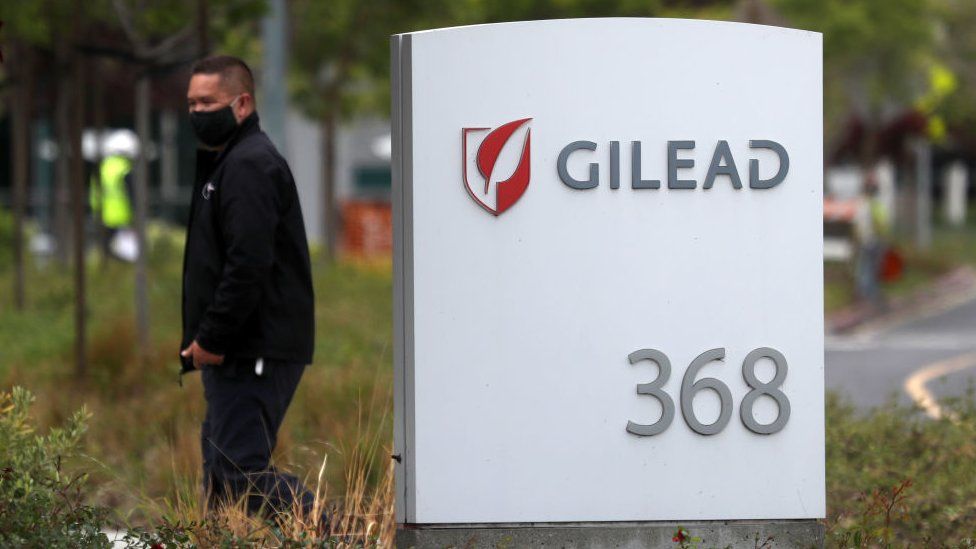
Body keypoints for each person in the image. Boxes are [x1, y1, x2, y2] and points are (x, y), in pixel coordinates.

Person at [179, 55, 319, 522]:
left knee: (240, 471)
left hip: (251, 349)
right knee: (221, 476)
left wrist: (213, 338)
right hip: (237, 349)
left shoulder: (249, 165)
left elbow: (248, 265)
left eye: (208, 102)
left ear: (241, 104)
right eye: (192, 103)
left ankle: (340, 534)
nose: (197, 112)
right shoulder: (231, 163)